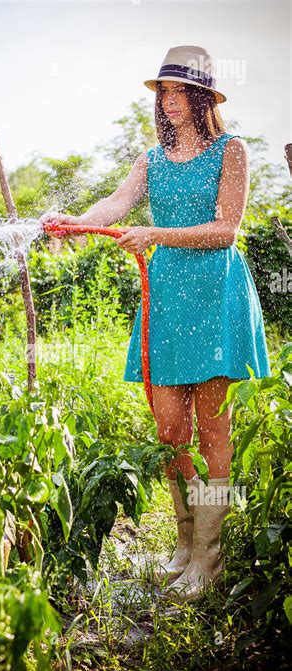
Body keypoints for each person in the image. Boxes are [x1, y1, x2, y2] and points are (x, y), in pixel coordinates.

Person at [40, 45, 271, 602]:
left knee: (214, 430)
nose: (167, 101)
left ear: (201, 97)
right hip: (165, 294)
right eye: (161, 92)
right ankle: (183, 546)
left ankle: (208, 559)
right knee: (170, 431)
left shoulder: (230, 151)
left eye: (176, 91)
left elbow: (225, 230)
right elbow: (117, 204)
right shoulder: (150, 159)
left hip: (215, 292)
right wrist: (77, 221)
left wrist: (157, 236)